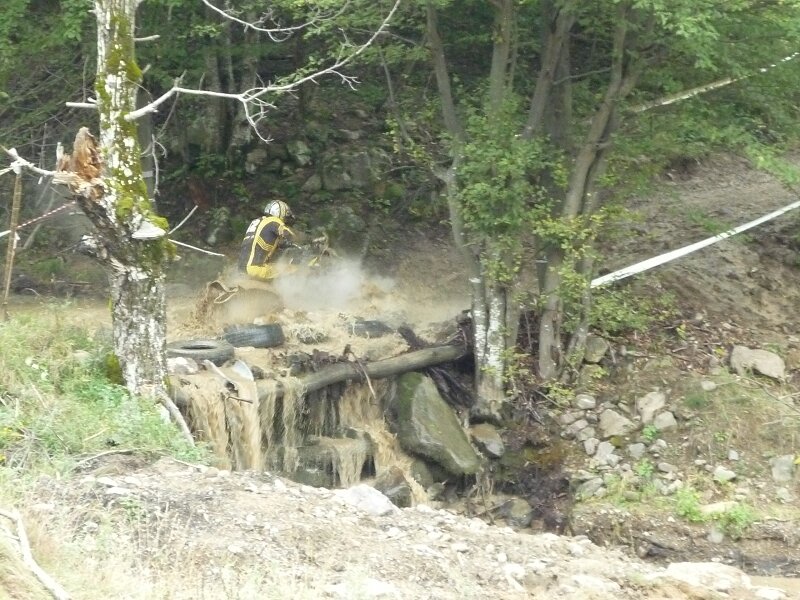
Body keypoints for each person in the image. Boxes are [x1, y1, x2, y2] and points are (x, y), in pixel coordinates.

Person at [237, 199, 298, 281]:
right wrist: (302, 240)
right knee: (292, 269)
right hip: (256, 269)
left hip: (241, 269)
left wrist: (282, 245)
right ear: (280, 213)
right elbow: (288, 234)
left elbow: (261, 243)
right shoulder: (273, 220)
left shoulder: (257, 222)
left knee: (273, 266)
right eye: (285, 217)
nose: (285, 220)